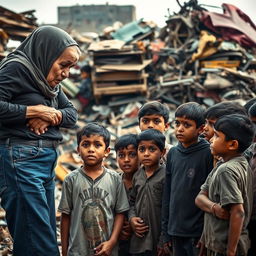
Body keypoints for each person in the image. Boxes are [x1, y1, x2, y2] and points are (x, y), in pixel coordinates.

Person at [0, 25, 80, 255]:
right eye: (63, 65)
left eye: (70, 67)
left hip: (44, 162)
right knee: (38, 239)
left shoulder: (47, 82)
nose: (66, 74)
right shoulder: (17, 68)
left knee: (36, 233)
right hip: (21, 160)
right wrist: (31, 111)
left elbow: (71, 114)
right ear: (46, 53)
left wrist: (50, 115)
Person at [58, 123, 130, 256]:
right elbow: (65, 216)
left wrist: (112, 242)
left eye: (97, 145)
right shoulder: (71, 180)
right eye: (85, 144)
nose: (91, 149)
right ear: (78, 150)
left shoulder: (115, 179)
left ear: (107, 151)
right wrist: (64, 251)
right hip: (78, 251)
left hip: (107, 251)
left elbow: (120, 213)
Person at [195, 114, 254, 256]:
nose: (211, 140)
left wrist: (230, 252)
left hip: (224, 246)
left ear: (232, 144)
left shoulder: (226, 170)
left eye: (216, 136)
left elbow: (238, 211)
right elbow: (199, 198)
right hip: (218, 242)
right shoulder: (235, 164)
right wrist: (214, 208)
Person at [161, 102, 213, 256]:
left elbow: (211, 193)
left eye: (187, 125)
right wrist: (166, 231)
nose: (180, 129)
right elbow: (168, 193)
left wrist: (206, 233)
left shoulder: (208, 153)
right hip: (175, 229)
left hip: (197, 232)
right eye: (177, 123)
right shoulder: (173, 154)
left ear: (201, 129)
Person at [128, 129, 166, 256]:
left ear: (163, 152)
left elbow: (170, 208)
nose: (146, 154)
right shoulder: (137, 175)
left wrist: (164, 238)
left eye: (152, 149)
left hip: (158, 237)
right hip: (139, 239)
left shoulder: (166, 175)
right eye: (142, 149)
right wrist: (132, 218)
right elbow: (132, 201)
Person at [115, 134, 139, 256]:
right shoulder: (114, 182)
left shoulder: (145, 182)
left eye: (132, 154)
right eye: (121, 155)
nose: (126, 160)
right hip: (119, 242)